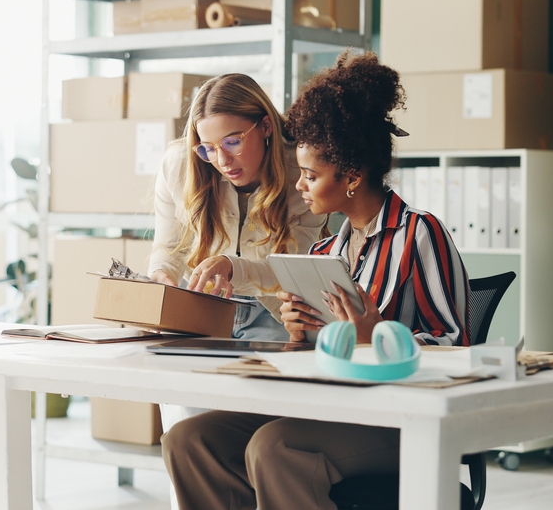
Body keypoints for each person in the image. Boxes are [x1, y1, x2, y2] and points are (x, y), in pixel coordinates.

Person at [161, 52, 471, 510]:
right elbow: (319, 354)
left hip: (402, 416)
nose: (299, 187)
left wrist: (377, 336)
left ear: (350, 176)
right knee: (190, 439)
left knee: (276, 447)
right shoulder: (325, 253)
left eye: (309, 175)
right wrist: (299, 333)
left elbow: (457, 350)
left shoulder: (419, 233)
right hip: (335, 405)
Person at [148, 73, 326, 343]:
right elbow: (168, 248)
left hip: (272, 309)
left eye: (233, 142)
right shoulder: (179, 165)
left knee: (266, 380)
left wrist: (232, 267)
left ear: (265, 126)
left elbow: (291, 271)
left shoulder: (303, 174)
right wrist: (162, 277)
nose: (221, 160)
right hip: (200, 300)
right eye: (208, 148)